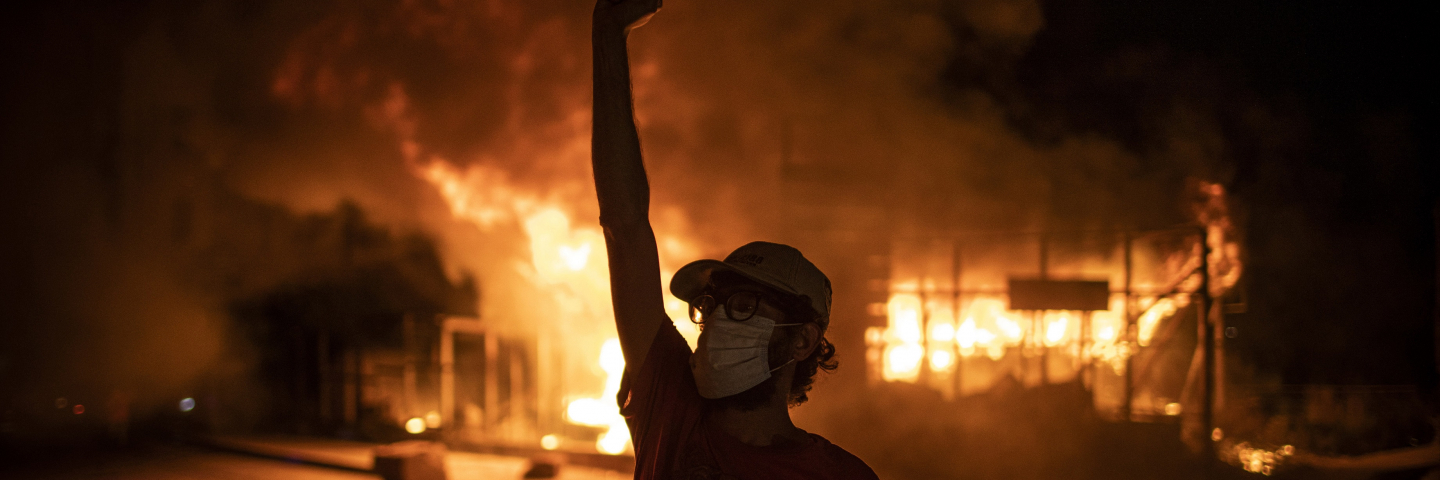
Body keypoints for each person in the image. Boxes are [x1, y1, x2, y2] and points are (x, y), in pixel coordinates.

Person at [590, 0, 880, 478]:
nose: (719, 319)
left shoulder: (838, 475)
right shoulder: (670, 411)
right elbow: (624, 224)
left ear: (804, 339)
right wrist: (607, 35)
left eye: (743, 304)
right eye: (712, 303)